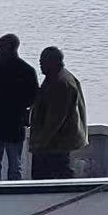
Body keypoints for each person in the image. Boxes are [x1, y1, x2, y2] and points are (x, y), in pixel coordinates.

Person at [0, 33, 37, 180]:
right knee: (2, 164)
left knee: (8, 165)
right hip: (2, 126)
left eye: (0, 46)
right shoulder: (26, 70)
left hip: (7, 126)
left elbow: (32, 98)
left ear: (10, 48)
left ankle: (1, 192)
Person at [29, 45, 89, 180]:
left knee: (52, 175)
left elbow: (55, 120)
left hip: (55, 143)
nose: (40, 65)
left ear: (54, 62)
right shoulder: (58, 76)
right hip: (57, 142)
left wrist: (39, 143)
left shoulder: (60, 83)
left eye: (43, 62)